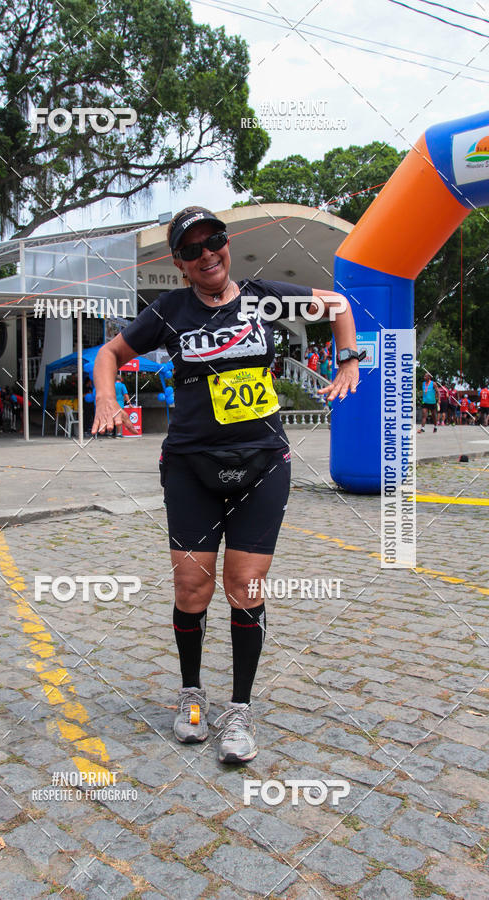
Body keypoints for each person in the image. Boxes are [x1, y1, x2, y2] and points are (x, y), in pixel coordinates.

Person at [92, 205, 361, 763]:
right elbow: (110, 353)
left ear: (227, 242)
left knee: (246, 586)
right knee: (192, 588)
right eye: (191, 250)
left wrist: (348, 361)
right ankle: (192, 695)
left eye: (213, 240)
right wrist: (105, 397)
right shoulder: (169, 310)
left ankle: (239, 709)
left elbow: (337, 305)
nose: (206, 254)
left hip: (263, 462)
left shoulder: (264, 298)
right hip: (191, 465)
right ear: (179, 262)